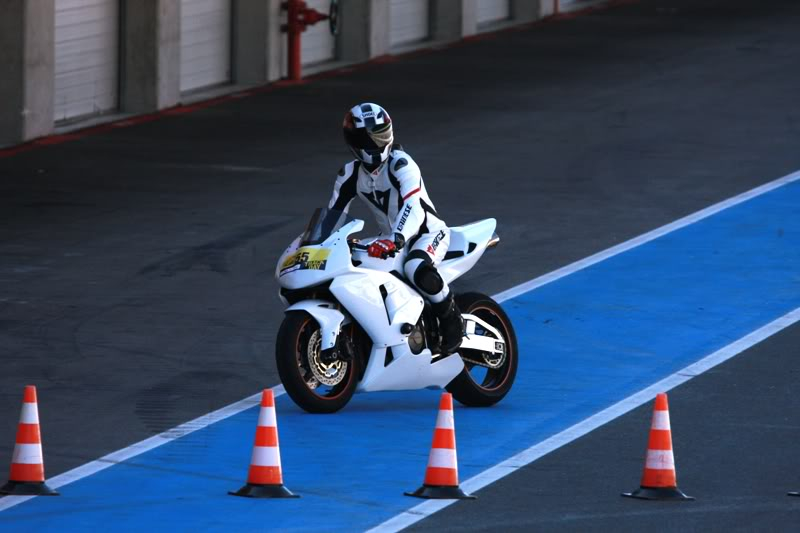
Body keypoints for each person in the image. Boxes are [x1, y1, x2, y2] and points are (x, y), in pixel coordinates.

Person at [328, 102, 464, 353]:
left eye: (381, 133)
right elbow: (333, 215)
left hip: (427, 233)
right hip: (390, 239)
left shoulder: (401, 164)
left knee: (416, 267)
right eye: (369, 137)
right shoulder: (349, 174)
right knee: (354, 265)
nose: (377, 141)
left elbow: (413, 206)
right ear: (354, 140)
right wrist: (317, 244)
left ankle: (452, 319)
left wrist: (397, 239)